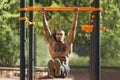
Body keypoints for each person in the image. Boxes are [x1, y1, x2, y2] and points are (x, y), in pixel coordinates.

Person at [41, 8, 79, 78]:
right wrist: (43, 15)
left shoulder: (67, 44)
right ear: (55, 36)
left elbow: (73, 30)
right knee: (54, 66)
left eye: (61, 34)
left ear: (64, 36)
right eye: (57, 34)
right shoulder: (52, 43)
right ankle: (53, 71)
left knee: (61, 68)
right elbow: (46, 29)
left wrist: (76, 15)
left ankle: (57, 70)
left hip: (65, 68)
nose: (59, 36)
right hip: (55, 68)